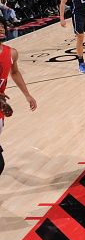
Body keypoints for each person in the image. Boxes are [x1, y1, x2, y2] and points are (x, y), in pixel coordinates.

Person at [0, 17, 37, 175]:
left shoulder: (11, 53)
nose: (2, 29)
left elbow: (14, 72)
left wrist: (27, 95)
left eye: (3, 26)